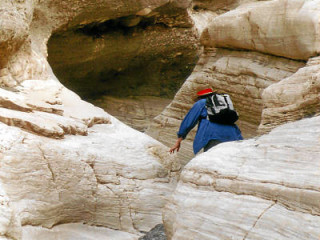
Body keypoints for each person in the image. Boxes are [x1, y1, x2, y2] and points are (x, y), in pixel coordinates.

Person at [169, 88, 243, 154]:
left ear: (199, 97)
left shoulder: (201, 103)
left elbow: (188, 122)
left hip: (212, 136)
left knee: (213, 160)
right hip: (233, 135)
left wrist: (179, 139)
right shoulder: (222, 103)